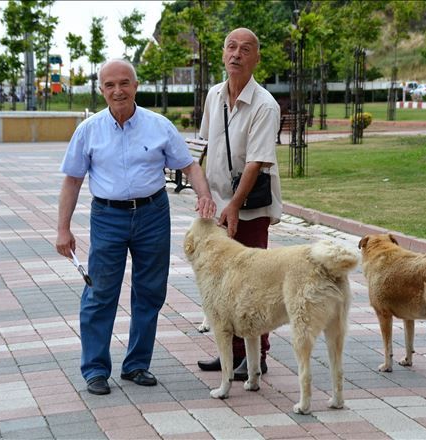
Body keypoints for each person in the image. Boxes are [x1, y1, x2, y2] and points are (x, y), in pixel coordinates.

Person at [56, 59, 216, 395]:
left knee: (150, 291)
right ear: (101, 90)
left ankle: (136, 365)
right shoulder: (89, 130)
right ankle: (95, 369)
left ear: (136, 85)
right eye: (110, 85)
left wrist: (204, 196)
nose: (118, 91)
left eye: (124, 83)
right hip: (107, 216)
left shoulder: (159, 126)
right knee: (100, 292)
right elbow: (72, 181)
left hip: (152, 214)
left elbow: (189, 165)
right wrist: (63, 229)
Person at [196, 28, 282, 381]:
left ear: (256, 58)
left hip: (249, 207)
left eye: (245, 49)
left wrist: (233, 205)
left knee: (252, 284)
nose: (237, 54)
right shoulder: (214, 95)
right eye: (231, 47)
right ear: (222, 53)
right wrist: (203, 194)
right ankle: (230, 354)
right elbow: (205, 144)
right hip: (217, 206)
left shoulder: (265, 105)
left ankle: (257, 356)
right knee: (222, 282)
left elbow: (256, 161)